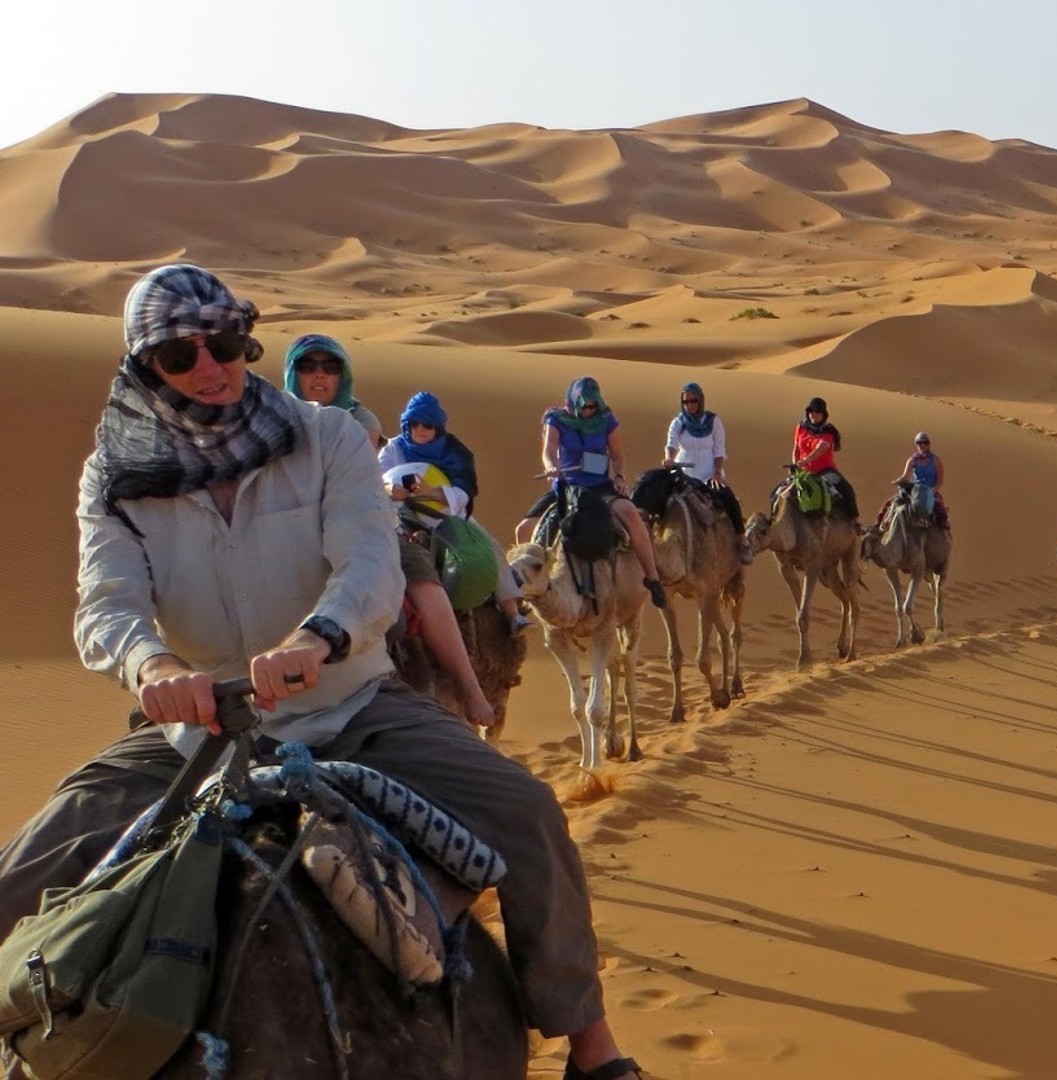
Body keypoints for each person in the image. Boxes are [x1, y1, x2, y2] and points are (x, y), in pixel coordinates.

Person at [0, 265, 642, 1080]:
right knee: (17, 877)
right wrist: (150, 662)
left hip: (351, 706)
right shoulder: (115, 477)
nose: (211, 366)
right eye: (179, 355)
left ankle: (591, 1045)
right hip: (192, 732)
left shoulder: (326, 437)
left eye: (226, 343)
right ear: (142, 368)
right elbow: (106, 602)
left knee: (527, 812)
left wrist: (319, 638)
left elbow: (373, 563)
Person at [283, 334, 495, 726]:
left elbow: (338, 468)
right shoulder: (271, 417)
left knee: (417, 573)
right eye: (307, 366)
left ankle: (469, 686)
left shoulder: (360, 421)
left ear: (342, 376)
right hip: (284, 526)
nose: (318, 375)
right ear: (291, 372)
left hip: (356, 520)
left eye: (329, 367)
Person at [378, 391, 532, 634]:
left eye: (427, 425)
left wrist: (435, 493)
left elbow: (464, 490)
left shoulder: (454, 452)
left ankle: (512, 613)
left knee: (490, 549)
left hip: (448, 514)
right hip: (400, 514)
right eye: (414, 424)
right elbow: (377, 479)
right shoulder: (393, 449)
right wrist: (391, 489)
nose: (420, 430)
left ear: (437, 428)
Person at [515, 376, 666, 609]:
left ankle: (653, 578)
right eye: (585, 406)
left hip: (598, 486)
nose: (588, 411)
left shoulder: (606, 420)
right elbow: (549, 450)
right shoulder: (556, 419)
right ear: (575, 402)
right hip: (566, 486)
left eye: (593, 406)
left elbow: (617, 454)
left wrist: (619, 477)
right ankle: (526, 590)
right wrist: (551, 467)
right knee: (523, 530)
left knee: (631, 515)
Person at [663, 381, 754, 565]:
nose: (690, 405)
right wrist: (668, 458)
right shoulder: (679, 422)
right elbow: (671, 445)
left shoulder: (713, 422)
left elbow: (719, 451)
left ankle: (742, 540)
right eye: (686, 402)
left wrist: (717, 473)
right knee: (658, 496)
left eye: (693, 401)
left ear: (700, 400)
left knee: (728, 498)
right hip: (683, 473)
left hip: (707, 473)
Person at [792, 396, 861, 527]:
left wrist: (805, 460)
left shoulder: (828, 431)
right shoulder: (801, 427)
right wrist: (796, 463)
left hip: (824, 471)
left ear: (823, 415)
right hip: (803, 471)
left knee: (847, 490)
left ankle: (856, 523)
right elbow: (796, 447)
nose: (814, 415)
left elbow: (821, 449)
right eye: (812, 411)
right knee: (777, 492)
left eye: (818, 412)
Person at [893, 431, 950, 529]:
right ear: (916, 445)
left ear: (929, 444)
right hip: (916, 490)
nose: (922, 445)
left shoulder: (936, 460)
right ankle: (883, 523)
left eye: (925, 442)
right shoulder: (912, 460)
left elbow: (940, 480)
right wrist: (898, 480)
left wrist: (932, 491)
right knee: (894, 502)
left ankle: (943, 529)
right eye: (919, 443)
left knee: (939, 508)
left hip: (931, 490)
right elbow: (906, 476)